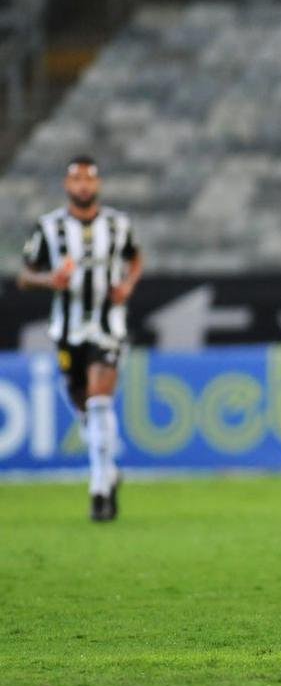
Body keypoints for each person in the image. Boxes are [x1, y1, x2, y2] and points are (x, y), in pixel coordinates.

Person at [18, 156, 142, 522]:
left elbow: (135, 259)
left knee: (100, 401)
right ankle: (109, 469)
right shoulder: (49, 227)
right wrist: (50, 279)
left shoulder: (118, 225)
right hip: (67, 329)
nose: (83, 186)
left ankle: (99, 489)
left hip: (108, 326)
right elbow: (25, 275)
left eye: (89, 179)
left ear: (98, 185)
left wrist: (127, 286)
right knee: (83, 405)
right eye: (77, 180)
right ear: (67, 186)